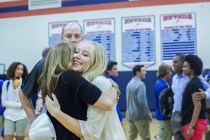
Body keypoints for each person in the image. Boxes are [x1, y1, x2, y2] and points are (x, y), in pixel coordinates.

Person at [44, 40, 126, 139]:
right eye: (76, 51)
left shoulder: (99, 82)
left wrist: (57, 113)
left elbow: (91, 133)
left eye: (85, 54)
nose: (76, 56)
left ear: (96, 61)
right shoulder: (80, 81)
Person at [171, 54, 210, 140]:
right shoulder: (174, 78)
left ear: (182, 63)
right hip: (176, 114)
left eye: (175, 62)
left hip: (191, 116)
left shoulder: (195, 79)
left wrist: (206, 94)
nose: (173, 64)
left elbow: (198, 106)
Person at [181, 55, 207, 140]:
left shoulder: (194, 84)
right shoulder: (192, 82)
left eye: (185, 66)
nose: (182, 68)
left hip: (194, 124)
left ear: (192, 69)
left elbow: (198, 106)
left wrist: (191, 127)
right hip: (191, 122)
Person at [2, 62, 28, 140]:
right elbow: (4, 102)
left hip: (22, 115)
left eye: (22, 70)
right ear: (13, 70)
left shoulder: (25, 83)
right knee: (7, 138)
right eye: (18, 69)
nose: (20, 71)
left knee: (20, 138)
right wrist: (19, 105)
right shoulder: (6, 83)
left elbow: (26, 100)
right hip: (9, 115)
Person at [126, 65, 152, 140]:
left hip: (130, 115)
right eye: (143, 70)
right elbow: (143, 102)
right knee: (146, 137)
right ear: (138, 72)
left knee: (131, 137)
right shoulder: (140, 84)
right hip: (140, 116)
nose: (145, 72)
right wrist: (148, 115)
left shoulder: (129, 83)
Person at [154, 63, 173, 140]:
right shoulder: (162, 86)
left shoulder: (161, 83)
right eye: (170, 71)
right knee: (165, 137)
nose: (171, 73)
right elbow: (164, 104)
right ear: (165, 72)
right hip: (163, 117)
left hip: (163, 116)